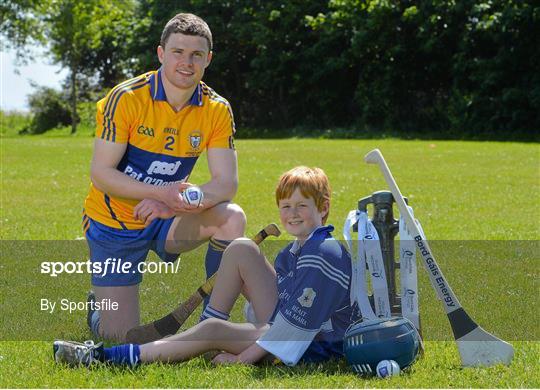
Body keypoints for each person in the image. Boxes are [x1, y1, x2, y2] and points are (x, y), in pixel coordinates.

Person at [55, 166, 359, 367]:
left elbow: (292, 331)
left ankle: (107, 358)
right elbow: (282, 311)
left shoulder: (324, 253)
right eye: (285, 207)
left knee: (214, 329)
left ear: (323, 208)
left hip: (312, 347)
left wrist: (242, 360)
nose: (292, 214)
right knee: (242, 248)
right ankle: (206, 334)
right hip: (286, 330)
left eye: (302, 206)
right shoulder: (295, 251)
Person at [83, 13, 246, 342]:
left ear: (208, 60)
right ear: (161, 53)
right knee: (121, 336)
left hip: (167, 217)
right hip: (114, 225)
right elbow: (101, 174)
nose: (186, 63)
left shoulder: (216, 108)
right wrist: (162, 195)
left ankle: (211, 325)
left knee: (231, 218)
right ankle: (98, 312)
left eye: (196, 55)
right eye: (178, 52)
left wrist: (179, 202)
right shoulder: (126, 98)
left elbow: (225, 184)